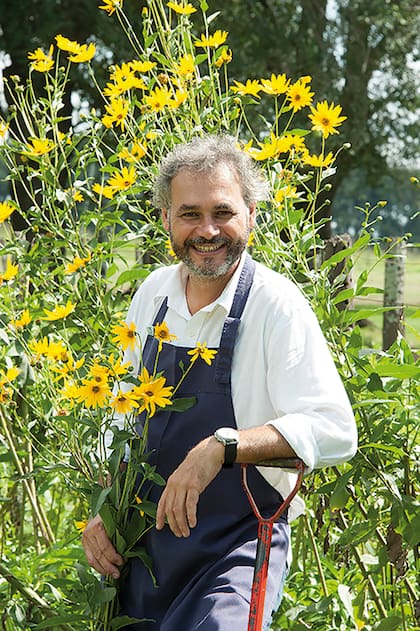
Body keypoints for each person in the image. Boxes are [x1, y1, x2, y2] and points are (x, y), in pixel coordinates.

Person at [82, 134, 357, 630]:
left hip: (235, 551)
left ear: (251, 215)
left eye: (222, 212)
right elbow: (121, 415)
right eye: (189, 214)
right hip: (143, 550)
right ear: (165, 219)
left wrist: (221, 447)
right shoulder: (153, 295)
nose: (206, 230)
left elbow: (336, 429)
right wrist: (105, 508)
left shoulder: (276, 305)